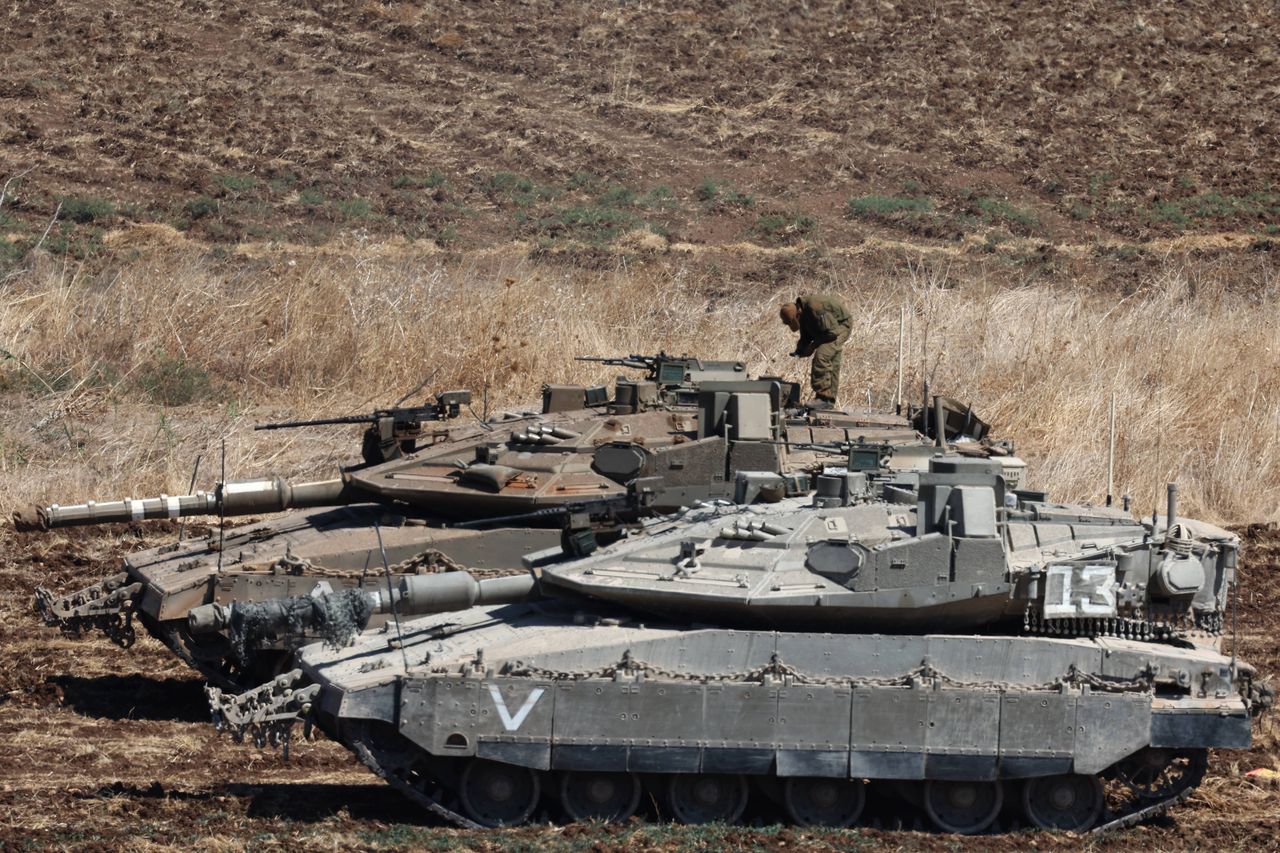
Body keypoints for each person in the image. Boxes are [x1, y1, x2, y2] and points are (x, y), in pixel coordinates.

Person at [779, 294, 852, 409]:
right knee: (831, 360)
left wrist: (813, 346)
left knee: (822, 356)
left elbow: (832, 333)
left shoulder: (815, 308)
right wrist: (801, 349)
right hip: (828, 329)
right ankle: (828, 401)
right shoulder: (803, 311)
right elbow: (806, 335)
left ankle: (823, 398)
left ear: (797, 314)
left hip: (840, 326)